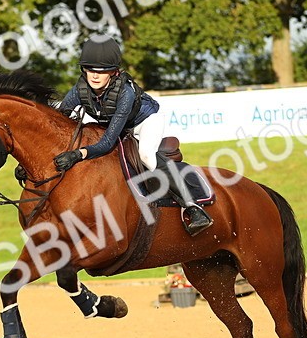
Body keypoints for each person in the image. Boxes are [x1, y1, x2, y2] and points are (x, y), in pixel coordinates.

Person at [53, 37, 213, 236]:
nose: (95, 75)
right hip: (115, 127)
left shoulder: (125, 93)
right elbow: (57, 120)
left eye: (102, 70)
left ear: (114, 71)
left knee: (145, 155)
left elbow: (108, 142)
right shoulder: (79, 90)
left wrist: (79, 154)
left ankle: (193, 206)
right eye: (90, 69)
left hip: (144, 123)